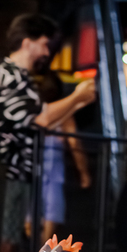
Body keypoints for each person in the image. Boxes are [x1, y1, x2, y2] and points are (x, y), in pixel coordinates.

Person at [0, 13, 95, 252]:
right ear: (27, 43)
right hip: (5, 169)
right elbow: (41, 119)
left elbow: (42, 122)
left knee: (11, 240)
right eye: (43, 44)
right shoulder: (10, 75)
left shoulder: (18, 76)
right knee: (4, 241)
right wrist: (77, 98)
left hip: (14, 170)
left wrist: (77, 102)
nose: (46, 52)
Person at [31, 70, 91, 242]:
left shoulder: (33, 112)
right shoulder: (63, 115)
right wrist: (84, 172)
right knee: (49, 226)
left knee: (31, 224)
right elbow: (74, 143)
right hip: (51, 176)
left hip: (32, 175)